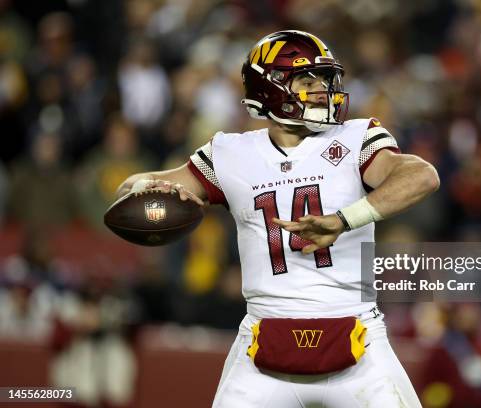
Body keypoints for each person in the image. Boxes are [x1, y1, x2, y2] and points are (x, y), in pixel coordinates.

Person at [116, 30, 439, 407]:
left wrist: (344, 220)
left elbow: (422, 176)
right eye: (307, 80)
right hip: (262, 340)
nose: (322, 91)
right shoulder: (231, 153)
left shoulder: (354, 137)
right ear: (271, 88)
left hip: (357, 335)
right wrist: (151, 189)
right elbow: (132, 189)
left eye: (325, 80)